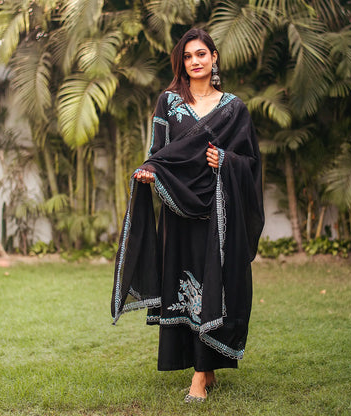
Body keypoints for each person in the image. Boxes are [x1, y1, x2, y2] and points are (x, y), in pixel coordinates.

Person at [111, 28, 264, 403]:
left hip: (218, 211)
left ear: (214, 58)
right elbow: (158, 152)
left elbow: (252, 163)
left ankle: (200, 377)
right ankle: (204, 368)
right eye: (187, 56)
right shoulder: (168, 102)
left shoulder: (234, 108)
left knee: (214, 283)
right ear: (182, 62)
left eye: (201, 54)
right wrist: (149, 171)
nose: (194, 61)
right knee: (184, 287)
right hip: (179, 212)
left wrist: (226, 161)